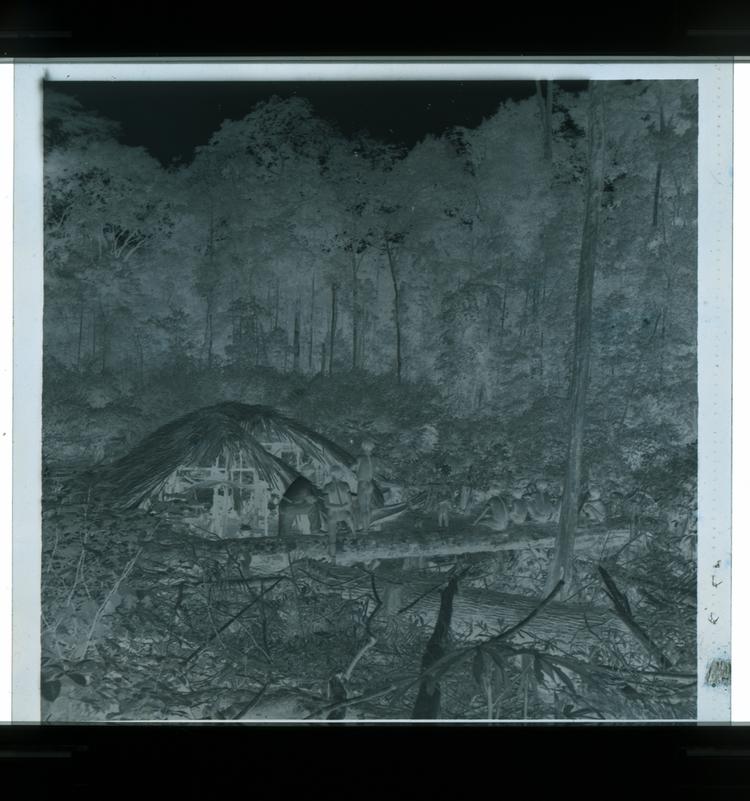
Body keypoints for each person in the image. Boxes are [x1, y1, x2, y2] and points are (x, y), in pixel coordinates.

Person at [323, 464, 356, 558]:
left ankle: (353, 545)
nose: (341, 474)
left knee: (353, 528)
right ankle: (332, 557)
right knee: (332, 537)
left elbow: (349, 502)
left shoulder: (345, 485)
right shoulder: (327, 486)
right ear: (333, 474)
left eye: (340, 473)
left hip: (342, 513)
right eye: (339, 473)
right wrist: (341, 506)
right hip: (334, 513)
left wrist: (341, 507)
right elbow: (326, 504)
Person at [355, 438, 376, 532]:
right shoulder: (373, 459)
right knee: (367, 506)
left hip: (362, 483)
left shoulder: (360, 458)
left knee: (363, 506)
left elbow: (352, 467)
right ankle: (367, 526)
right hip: (370, 483)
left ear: (363, 447)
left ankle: (364, 528)